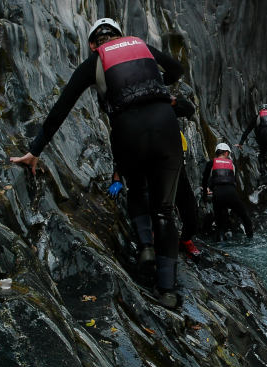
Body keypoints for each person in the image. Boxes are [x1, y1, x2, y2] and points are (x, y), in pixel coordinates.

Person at [10, 18, 184, 308]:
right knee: (165, 210)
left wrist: (35, 150)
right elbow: (177, 71)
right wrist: (154, 84)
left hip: (128, 130)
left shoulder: (96, 60)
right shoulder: (143, 47)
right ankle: (167, 291)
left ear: (93, 44)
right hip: (165, 125)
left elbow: (61, 107)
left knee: (137, 186)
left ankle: (145, 247)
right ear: (120, 35)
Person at [109, 95, 201, 257]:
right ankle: (154, 246)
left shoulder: (164, 108)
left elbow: (188, 108)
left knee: (192, 216)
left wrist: (169, 99)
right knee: (156, 211)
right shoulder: (134, 117)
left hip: (176, 169)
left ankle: (185, 239)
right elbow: (124, 150)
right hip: (151, 170)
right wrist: (117, 177)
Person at [202, 143, 253, 239]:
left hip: (217, 194)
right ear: (226, 153)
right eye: (228, 153)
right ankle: (250, 237)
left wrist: (205, 192)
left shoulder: (211, 163)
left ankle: (220, 239)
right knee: (244, 215)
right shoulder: (231, 164)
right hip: (231, 193)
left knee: (219, 220)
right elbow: (233, 181)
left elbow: (205, 180)